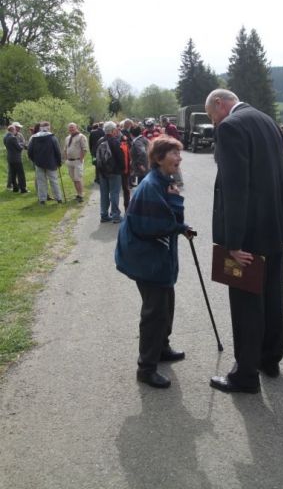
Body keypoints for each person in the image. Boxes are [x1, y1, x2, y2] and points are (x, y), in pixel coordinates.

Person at [205, 89, 283, 394]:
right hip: (274, 228)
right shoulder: (267, 120)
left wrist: (233, 241)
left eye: (211, 116)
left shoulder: (231, 127)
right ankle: (270, 360)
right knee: (272, 295)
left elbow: (235, 189)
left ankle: (245, 374)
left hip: (247, 235)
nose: (214, 123)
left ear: (220, 104)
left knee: (245, 304)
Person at [115, 136, 194, 389]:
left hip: (156, 259)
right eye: (174, 154)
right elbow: (155, 225)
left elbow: (167, 220)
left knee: (166, 305)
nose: (179, 159)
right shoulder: (151, 186)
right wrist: (178, 216)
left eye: (179, 154)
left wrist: (180, 226)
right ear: (159, 158)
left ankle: (162, 348)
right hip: (146, 260)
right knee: (154, 313)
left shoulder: (163, 181)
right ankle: (146, 368)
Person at [96, 121, 125, 223]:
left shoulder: (100, 141)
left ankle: (104, 215)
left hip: (102, 172)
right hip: (114, 172)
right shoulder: (115, 141)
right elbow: (120, 158)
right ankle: (116, 216)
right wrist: (122, 169)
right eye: (115, 129)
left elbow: (97, 157)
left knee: (104, 194)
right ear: (113, 130)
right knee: (114, 193)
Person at [27, 121, 63, 204]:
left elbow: (30, 152)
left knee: (41, 182)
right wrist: (59, 162)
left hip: (38, 163)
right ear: (48, 127)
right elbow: (57, 151)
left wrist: (35, 160)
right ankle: (59, 198)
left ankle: (42, 200)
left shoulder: (34, 138)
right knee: (54, 181)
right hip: (51, 163)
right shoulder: (52, 137)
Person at [63, 123, 89, 202]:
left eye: (72, 127)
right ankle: (78, 194)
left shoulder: (81, 137)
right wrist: (66, 158)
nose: (71, 129)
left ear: (76, 127)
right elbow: (65, 149)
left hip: (78, 161)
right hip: (70, 161)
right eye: (70, 128)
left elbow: (84, 149)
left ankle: (81, 195)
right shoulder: (67, 138)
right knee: (74, 178)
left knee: (78, 178)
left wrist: (81, 158)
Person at [3, 125, 29, 193]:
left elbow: (11, 146)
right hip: (16, 158)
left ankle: (15, 188)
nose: (16, 131)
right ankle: (23, 189)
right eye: (15, 130)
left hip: (10, 158)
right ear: (12, 130)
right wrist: (22, 145)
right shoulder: (13, 138)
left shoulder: (5, 137)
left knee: (13, 174)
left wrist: (19, 144)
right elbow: (19, 148)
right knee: (20, 174)